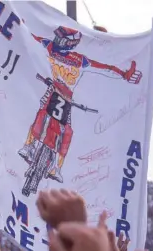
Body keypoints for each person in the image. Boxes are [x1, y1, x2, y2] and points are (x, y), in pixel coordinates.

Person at [18, 26, 142, 182]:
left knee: (67, 131)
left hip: (67, 98)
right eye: (57, 38)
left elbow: (105, 68)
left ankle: (56, 167)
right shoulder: (48, 45)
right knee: (42, 113)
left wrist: (124, 74)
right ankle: (28, 145)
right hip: (52, 88)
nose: (57, 41)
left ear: (71, 43)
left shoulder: (79, 60)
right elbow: (29, 35)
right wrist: (20, 21)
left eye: (61, 39)